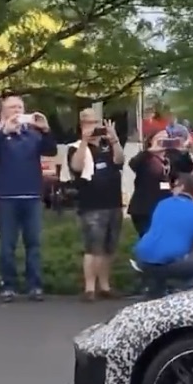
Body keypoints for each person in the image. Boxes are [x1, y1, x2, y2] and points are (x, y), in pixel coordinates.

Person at [0, 95, 56, 302]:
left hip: (32, 195)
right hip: (6, 197)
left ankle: (35, 285)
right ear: (3, 111)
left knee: (33, 244)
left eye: (20, 107)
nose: (16, 110)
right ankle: (8, 285)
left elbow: (51, 150)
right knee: (7, 245)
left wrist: (46, 129)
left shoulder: (33, 134)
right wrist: (4, 131)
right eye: (11, 107)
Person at [131, 173, 193, 299]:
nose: (172, 188)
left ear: (182, 187)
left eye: (174, 185)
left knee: (161, 273)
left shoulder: (162, 204)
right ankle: (181, 294)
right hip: (168, 262)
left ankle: (156, 290)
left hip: (141, 257)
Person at [67, 109, 125, 300]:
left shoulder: (107, 144)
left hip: (113, 202)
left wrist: (114, 138)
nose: (93, 126)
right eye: (88, 122)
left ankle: (105, 286)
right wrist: (85, 140)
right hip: (92, 205)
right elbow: (76, 166)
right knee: (93, 248)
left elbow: (120, 160)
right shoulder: (75, 147)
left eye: (96, 122)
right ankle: (89, 288)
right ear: (82, 125)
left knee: (109, 247)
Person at [127, 127, 193, 236]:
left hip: (166, 205)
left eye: (166, 138)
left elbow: (187, 168)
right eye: (160, 138)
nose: (164, 141)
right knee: (149, 238)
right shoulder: (146, 157)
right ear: (151, 140)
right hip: (145, 207)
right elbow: (133, 164)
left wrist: (184, 152)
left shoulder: (172, 156)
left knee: (166, 238)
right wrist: (151, 150)